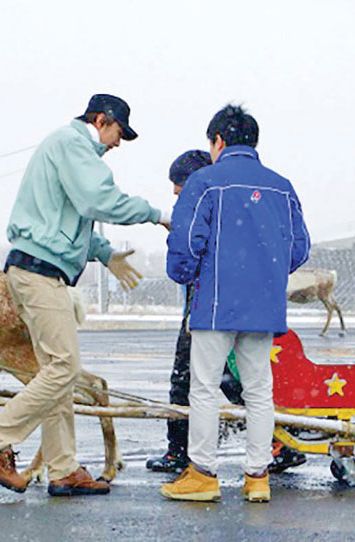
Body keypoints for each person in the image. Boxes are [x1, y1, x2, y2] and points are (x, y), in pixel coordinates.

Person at [0, 94, 171, 496]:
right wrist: (158, 214)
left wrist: (105, 254)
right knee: (64, 367)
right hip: (40, 272)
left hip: (39, 269)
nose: (117, 144)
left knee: (55, 374)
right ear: (101, 120)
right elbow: (96, 200)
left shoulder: (69, 150)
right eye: (118, 134)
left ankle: (62, 468)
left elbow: (69, 216)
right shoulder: (72, 144)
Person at [161, 105, 309, 503]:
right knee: (260, 389)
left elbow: (186, 240)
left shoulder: (205, 182)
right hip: (263, 306)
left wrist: (187, 273)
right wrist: (266, 272)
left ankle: (203, 475)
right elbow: (299, 247)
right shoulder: (282, 186)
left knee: (204, 388)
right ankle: (257, 477)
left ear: (218, 141)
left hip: (215, 304)